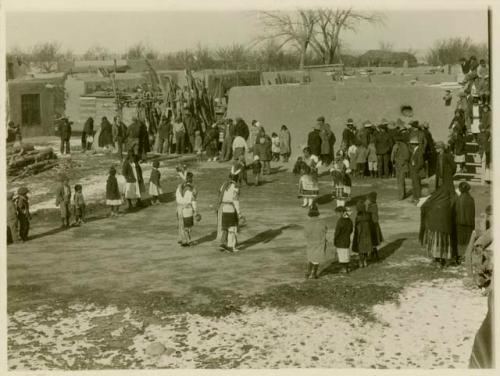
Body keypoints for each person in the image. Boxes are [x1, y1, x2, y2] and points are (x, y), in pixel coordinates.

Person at [419, 185, 456, 268]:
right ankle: (442, 260)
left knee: (436, 245)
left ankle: (437, 260)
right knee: (443, 245)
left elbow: (423, 207)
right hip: (445, 230)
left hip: (434, 229)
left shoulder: (433, 201)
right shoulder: (447, 202)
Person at [216, 173, 242, 253]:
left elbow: (219, 194)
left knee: (225, 227)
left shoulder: (224, 184)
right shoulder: (236, 186)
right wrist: (239, 213)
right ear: (237, 179)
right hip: (231, 208)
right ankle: (231, 246)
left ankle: (223, 243)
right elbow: (235, 200)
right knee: (232, 228)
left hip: (223, 208)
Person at [303, 202, 327, 279]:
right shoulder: (322, 222)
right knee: (317, 258)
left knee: (310, 257)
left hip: (311, 242)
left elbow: (305, 234)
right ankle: (314, 273)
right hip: (320, 241)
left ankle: (308, 272)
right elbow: (325, 231)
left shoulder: (307, 223)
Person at [453, 182, 475, 265]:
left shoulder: (458, 199)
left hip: (460, 224)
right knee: (468, 242)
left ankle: (459, 257)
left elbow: (455, 212)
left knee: (460, 242)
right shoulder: (471, 199)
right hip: (469, 224)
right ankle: (467, 257)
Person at [176, 172, 198, 247]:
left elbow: (177, 197)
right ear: (191, 179)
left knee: (181, 224)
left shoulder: (179, 186)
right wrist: (195, 211)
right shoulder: (192, 189)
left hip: (179, 207)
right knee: (187, 226)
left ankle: (183, 240)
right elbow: (193, 201)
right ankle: (188, 241)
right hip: (187, 208)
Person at [352, 200, 373, 268]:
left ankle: (361, 262)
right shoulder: (368, 215)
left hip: (360, 235)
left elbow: (356, 227)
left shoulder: (358, 217)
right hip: (367, 234)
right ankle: (365, 261)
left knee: (360, 249)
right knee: (366, 248)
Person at [334, 206, 354, 274]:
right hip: (347, 239)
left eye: (337, 213)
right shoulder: (349, 220)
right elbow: (351, 230)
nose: (336, 215)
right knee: (346, 254)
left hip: (340, 241)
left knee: (342, 255)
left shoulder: (340, 221)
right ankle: (347, 267)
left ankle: (344, 269)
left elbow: (337, 232)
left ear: (341, 212)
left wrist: (335, 240)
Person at [391, 135, 410, 200]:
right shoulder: (401, 145)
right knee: (400, 180)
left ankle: (401, 196)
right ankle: (402, 194)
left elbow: (406, 156)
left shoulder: (402, 146)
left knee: (400, 180)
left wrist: (398, 162)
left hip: (401, 165)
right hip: (399, 164)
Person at [366, 192, 383, 261]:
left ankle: (374, 256)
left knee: (373, 242)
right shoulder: (373, 205)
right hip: (373, 225)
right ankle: (374, 255)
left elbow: (371, 216)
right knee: (373, 243)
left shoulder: (372, 207)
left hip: (372, 226)